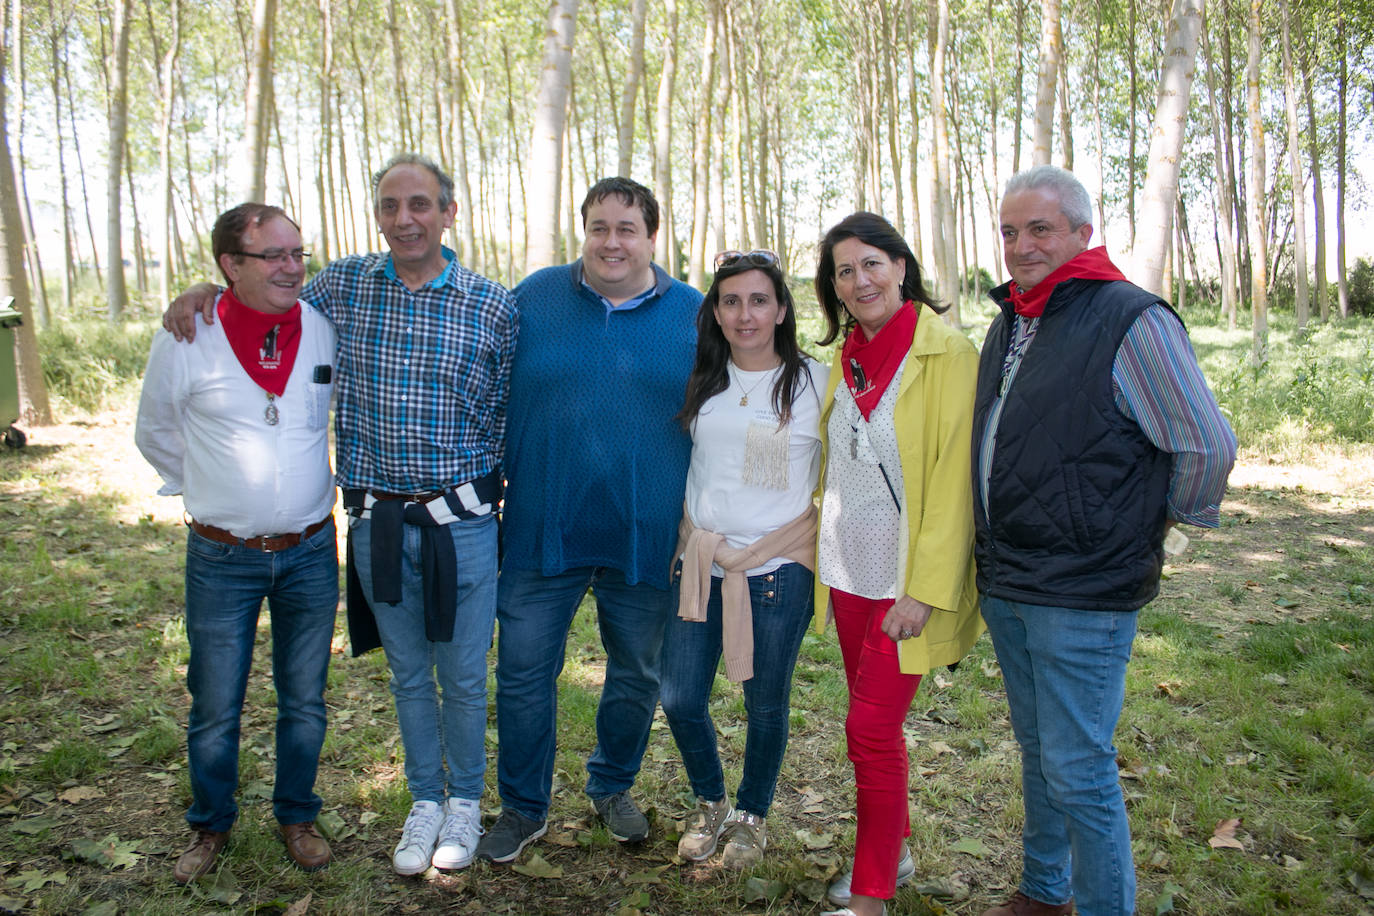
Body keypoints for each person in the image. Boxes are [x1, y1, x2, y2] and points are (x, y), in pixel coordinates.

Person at [162, 154, 518, 877]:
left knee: (464, 678)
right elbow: (266, 294)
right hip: (377, 525)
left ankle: (465, 804)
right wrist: (207, 290)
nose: (404, 220)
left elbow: (511, 412)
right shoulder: (342, 288)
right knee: (409, 677)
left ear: (449, 213)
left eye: (420, 204)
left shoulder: (493, 305)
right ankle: (424, 800)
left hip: (464, 527)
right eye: (389, 205)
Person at [974, 166, 1235, 916]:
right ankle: (1043, 891)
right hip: (1010, 577)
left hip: (1083, 589)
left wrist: (1158, 525)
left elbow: (1207, 444)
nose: (1022, 246)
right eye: (1010, 231)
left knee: (1079, 768)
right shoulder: (1014, 319)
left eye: (1041, 229)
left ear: (1084, 233)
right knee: (1039, 751)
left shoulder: (1131, 318)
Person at [474, 177, 702, 863]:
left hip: (646, 532)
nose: (611, 242)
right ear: (584, 231)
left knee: (637, 673)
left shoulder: (695, 314)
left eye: (627, 228)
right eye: (599, 226)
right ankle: (523, 806)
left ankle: (611, 785)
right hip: (542, 525)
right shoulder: (532, 299)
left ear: (651, 236)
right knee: (522, 673)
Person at [137, 203, 339, 883]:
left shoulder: (321, 328)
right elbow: (155, 430)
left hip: (310, 550)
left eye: (297, 253)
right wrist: (207, 489)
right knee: (216, 704)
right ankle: (210, 824)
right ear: (230, 264)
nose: (291, 267)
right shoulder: (188, 335)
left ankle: (297, 817)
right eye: (273, 255)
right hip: (222, 557)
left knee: (304, 699)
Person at [810, 213, 985, 916]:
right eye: (845, 271)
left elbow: (955, 484)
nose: (861, 281)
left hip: (904, 585)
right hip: (848, 571)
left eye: (872, 264)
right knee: (871, 724)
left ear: (901, 267)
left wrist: (925, 590)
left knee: (869, 733)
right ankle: (898, 849)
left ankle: (871, 896)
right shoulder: (846, 354)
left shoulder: (948, 355)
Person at [662, 249, 826, 868]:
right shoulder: (704, 378)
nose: (745, 314)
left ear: (781, 309)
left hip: (778, 568)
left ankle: (752, 815)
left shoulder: (816, 384)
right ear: (716, 312)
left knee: (765, 703)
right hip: (701, 561)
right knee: (680, 697)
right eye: (730, 301)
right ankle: (710, 800)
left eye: (759, 300)